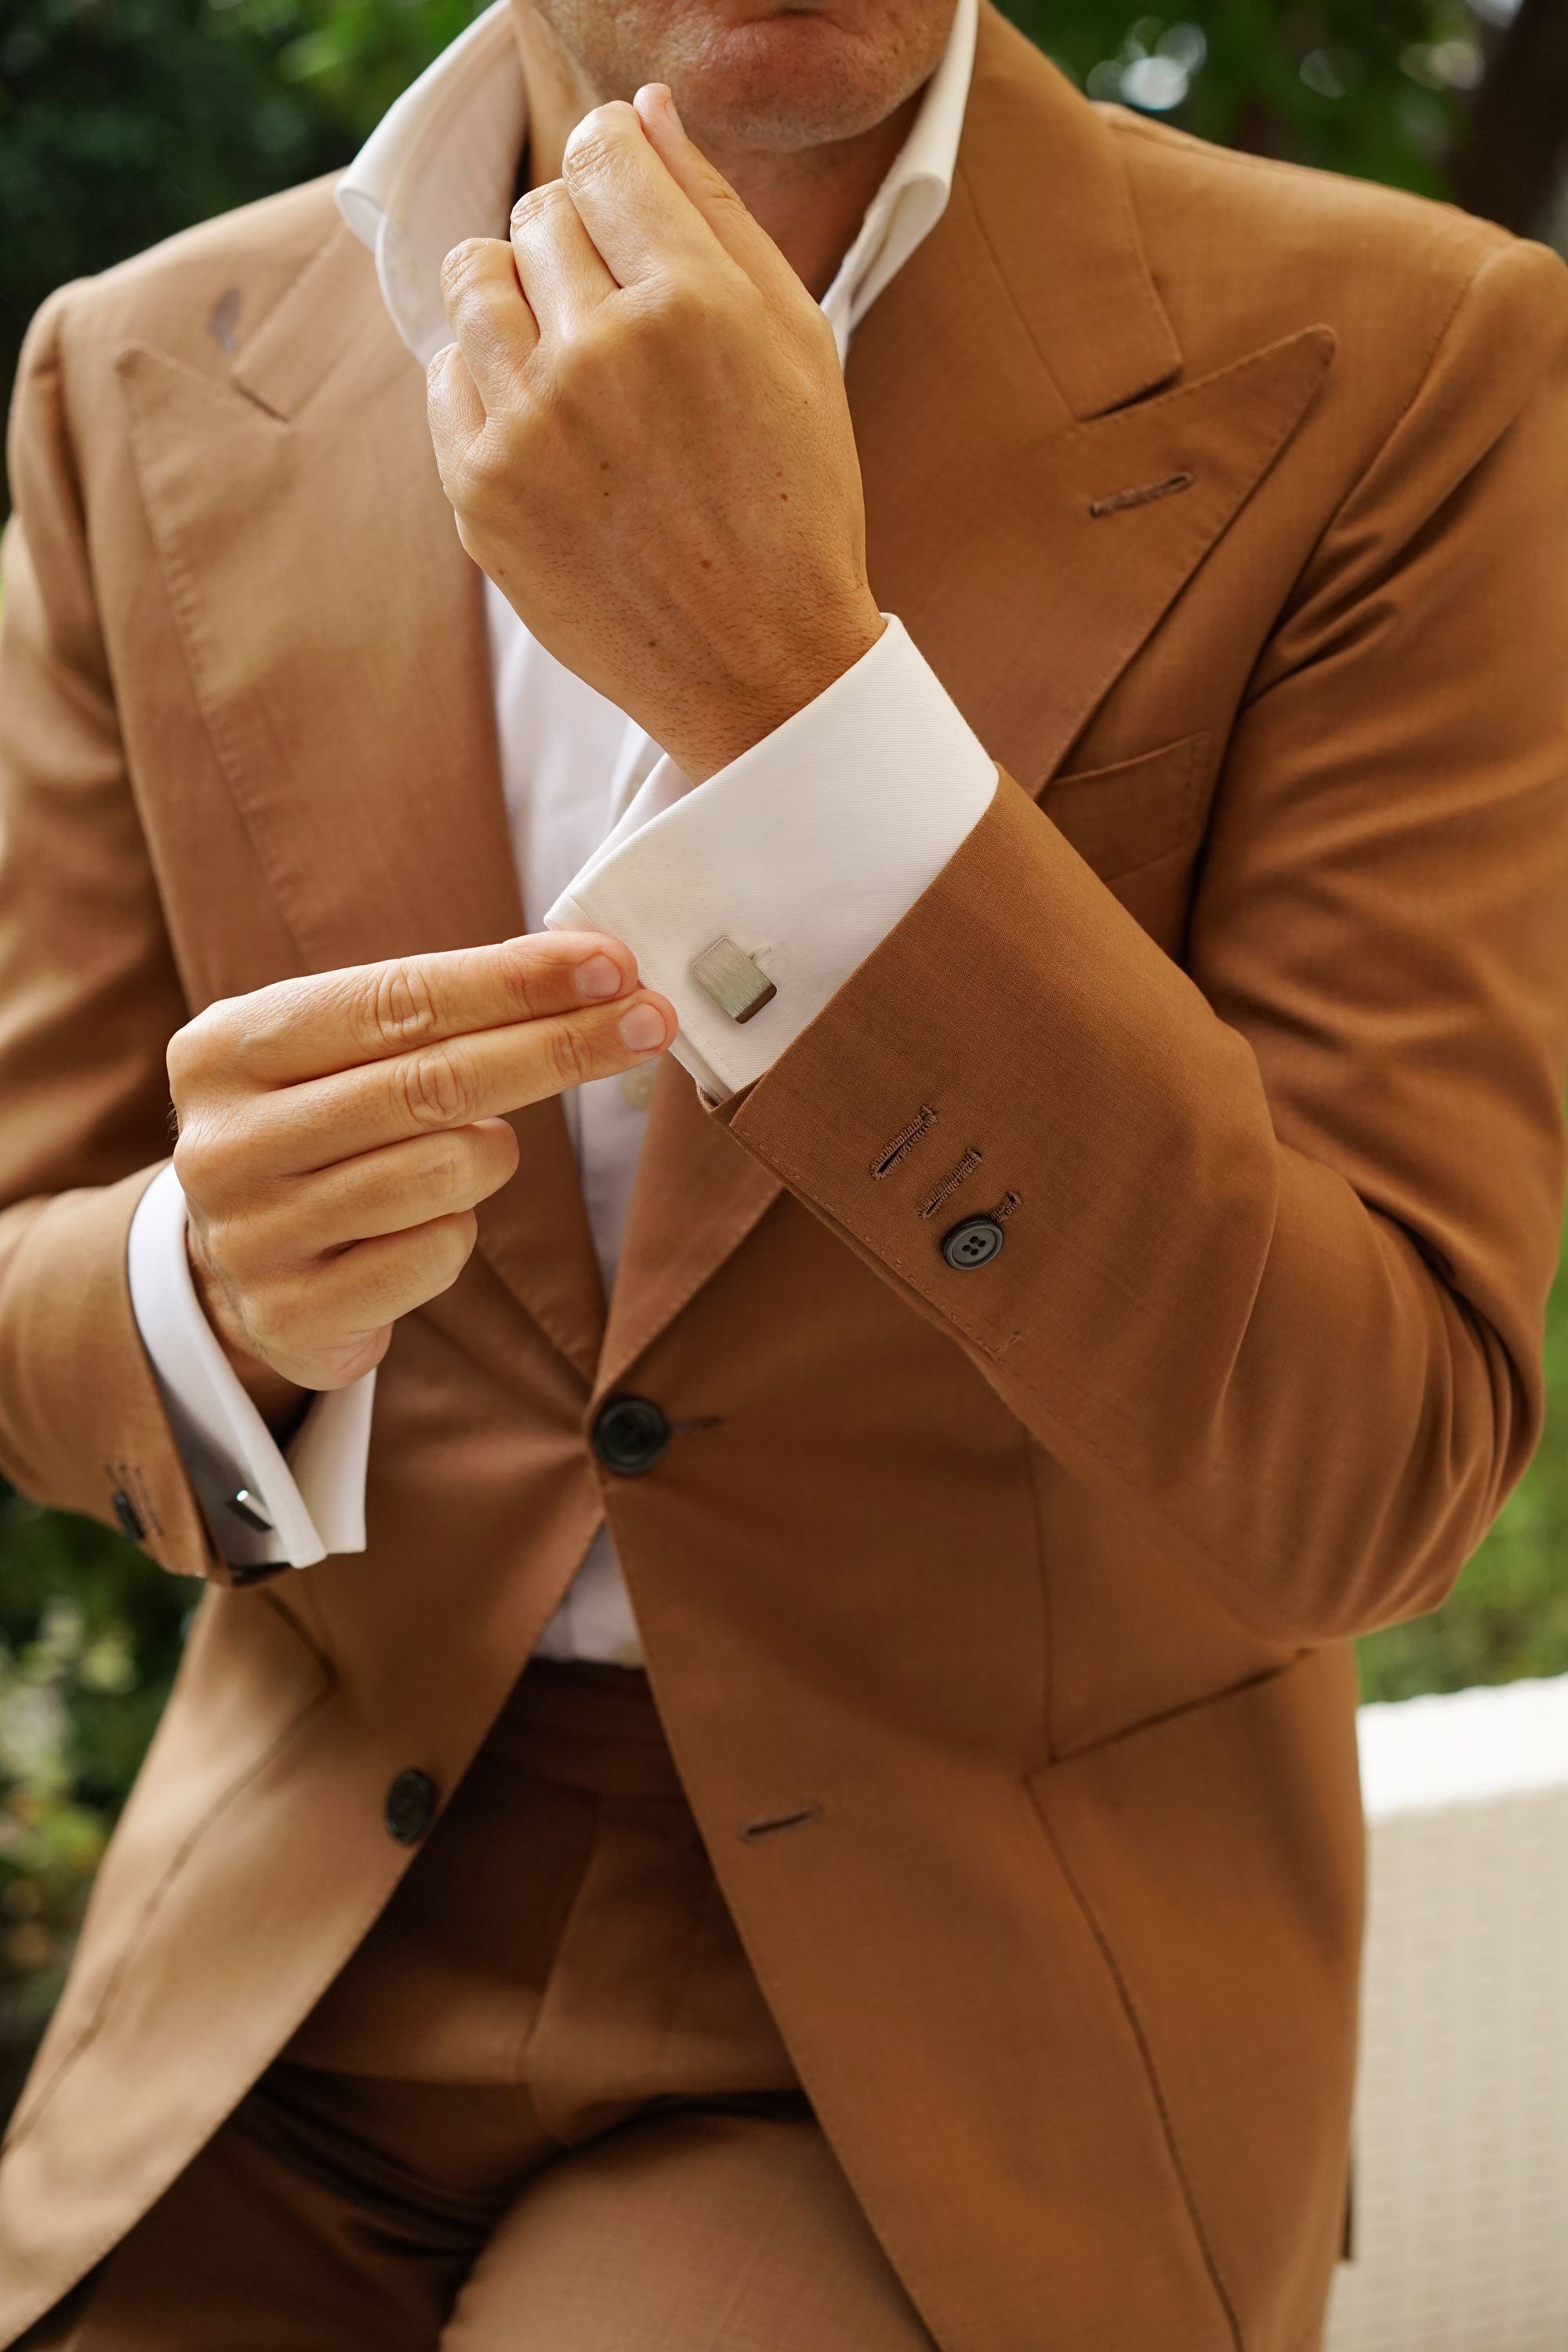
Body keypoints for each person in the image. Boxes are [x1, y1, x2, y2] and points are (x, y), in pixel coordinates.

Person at [2, 0, 1566, 2342]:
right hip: (300, 1949)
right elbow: (37, 1250)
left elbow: (1379, 1474)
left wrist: (787, 689)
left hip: (971, 1989)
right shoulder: (131, 376)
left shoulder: (1421, 361)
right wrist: (199, 1296)